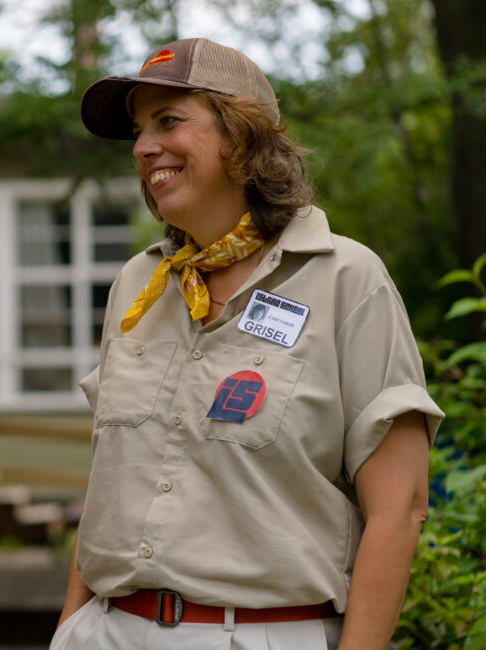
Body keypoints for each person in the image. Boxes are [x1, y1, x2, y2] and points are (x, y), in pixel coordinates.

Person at [51, 38, 443, 650]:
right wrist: (70, 629)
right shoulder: (138, 285)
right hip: (107, 631)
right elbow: (113, 483)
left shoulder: (346, 279)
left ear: (242, 136)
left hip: (260, 634)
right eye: (137, 130)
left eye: (168, 121)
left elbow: (401, 508)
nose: (143, 147)